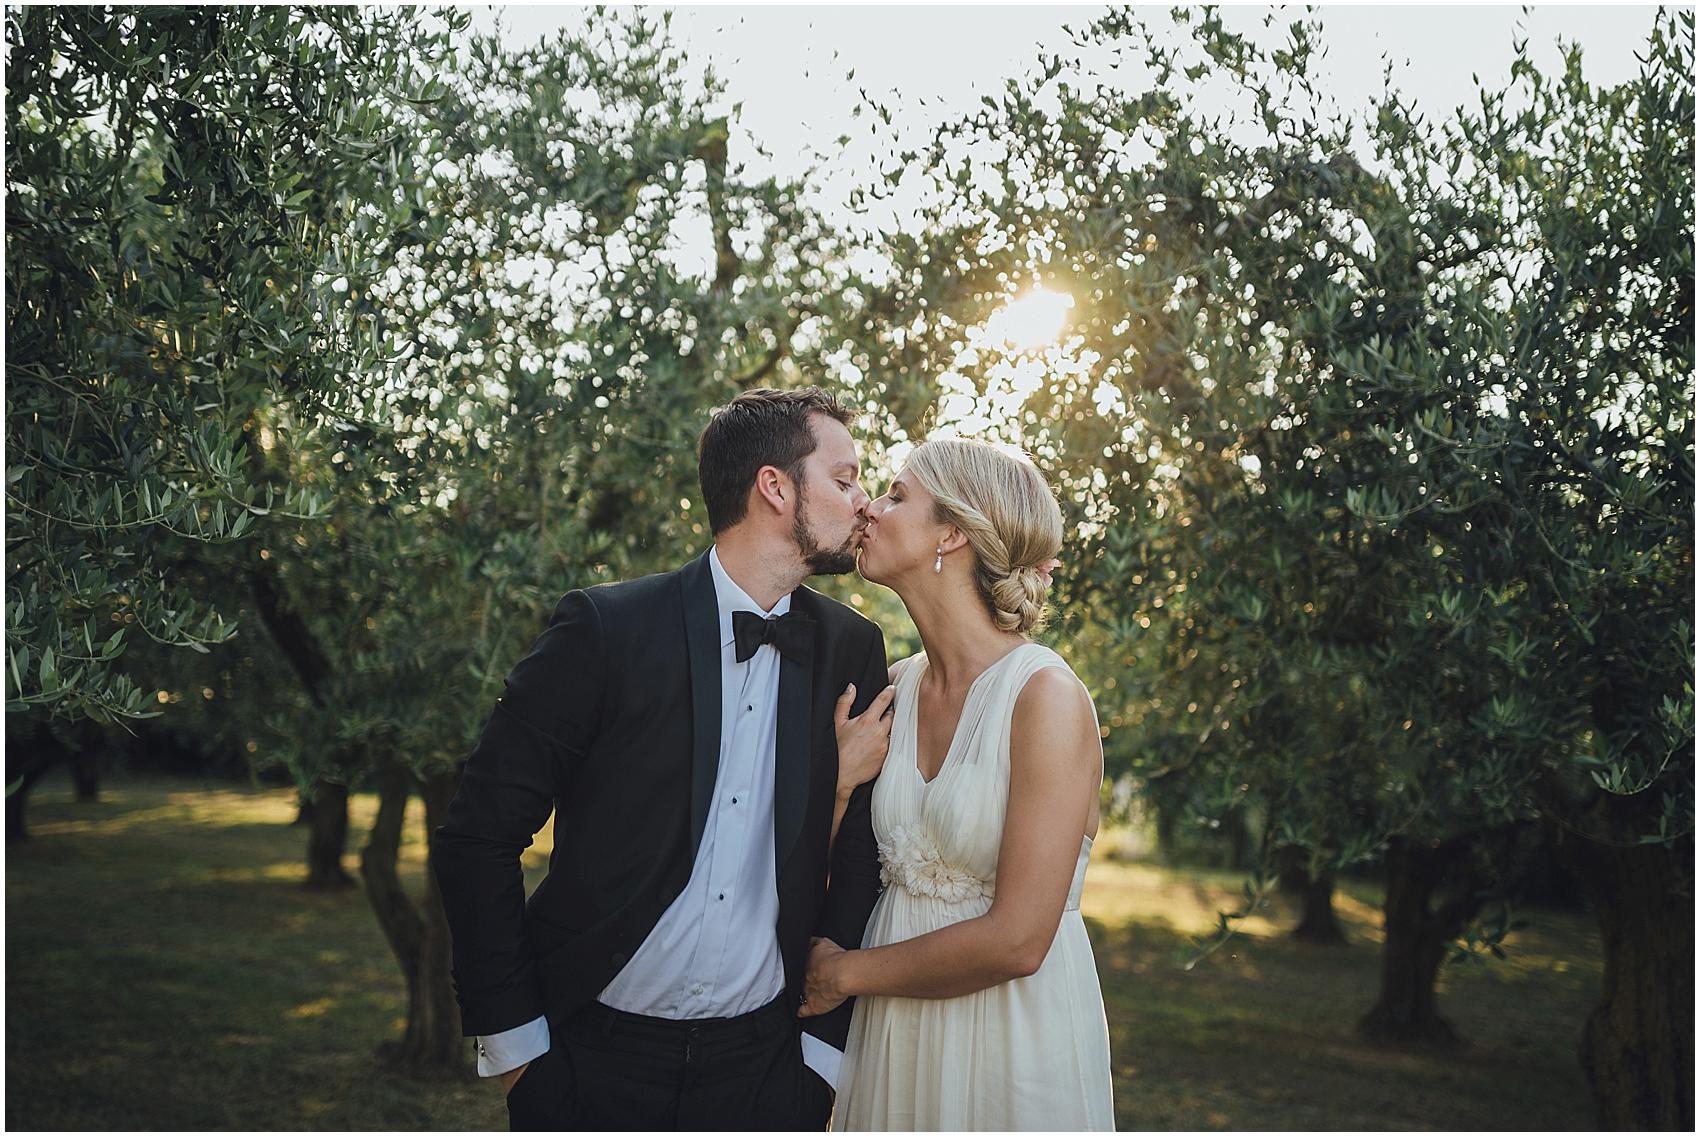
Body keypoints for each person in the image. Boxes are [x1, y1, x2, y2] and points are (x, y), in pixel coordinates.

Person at [432, 386, 899, 1130]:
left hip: (768, 1076)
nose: (866, 502)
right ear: (774, 487)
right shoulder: (605, 631)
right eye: (844, 479)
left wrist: (820, 1062)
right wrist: (522, 1057)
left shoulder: (853, 648)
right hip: (589, 1065)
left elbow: (860, 855)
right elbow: (478, 837)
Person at [801, 437, 1116, 1131]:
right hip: (893, 1037)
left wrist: (844, 975)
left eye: (896, 494)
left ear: (952, 532)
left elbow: (1019, 938)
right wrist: (841, 786)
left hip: (1008, 1036)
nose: (869, 509)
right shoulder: (893, 690)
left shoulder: (1045, 697)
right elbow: (827, 861)